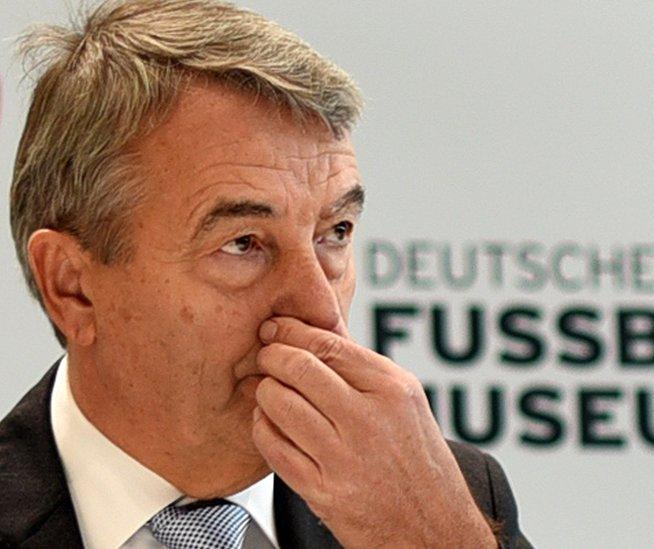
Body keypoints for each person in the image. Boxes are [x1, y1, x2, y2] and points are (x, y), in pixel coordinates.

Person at [0, 1, 531, 547]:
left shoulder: (450, 501)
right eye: (243, 244)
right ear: (73, 286)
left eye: (336, 233)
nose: (322, 310)